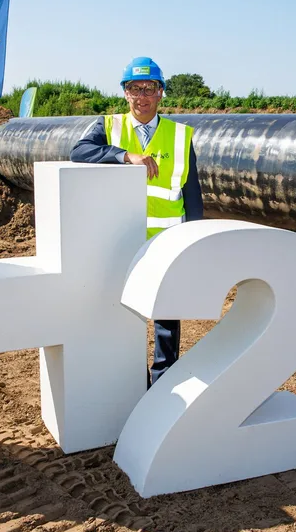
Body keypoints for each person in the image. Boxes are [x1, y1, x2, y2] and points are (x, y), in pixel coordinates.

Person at [70, 57, 203, 386]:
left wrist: (196, 239)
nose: (141, 95)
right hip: (122, 241)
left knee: (166, 316)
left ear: (161, 93)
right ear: (125, 93)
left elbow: (193, 195)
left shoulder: (180, 136)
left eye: (149, 88)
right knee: (125, 314)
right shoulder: (109, 127)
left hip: (166, 240)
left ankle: (162, 382)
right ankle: (130, 383)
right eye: (134, 88)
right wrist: (124, 156)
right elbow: (79, 151)